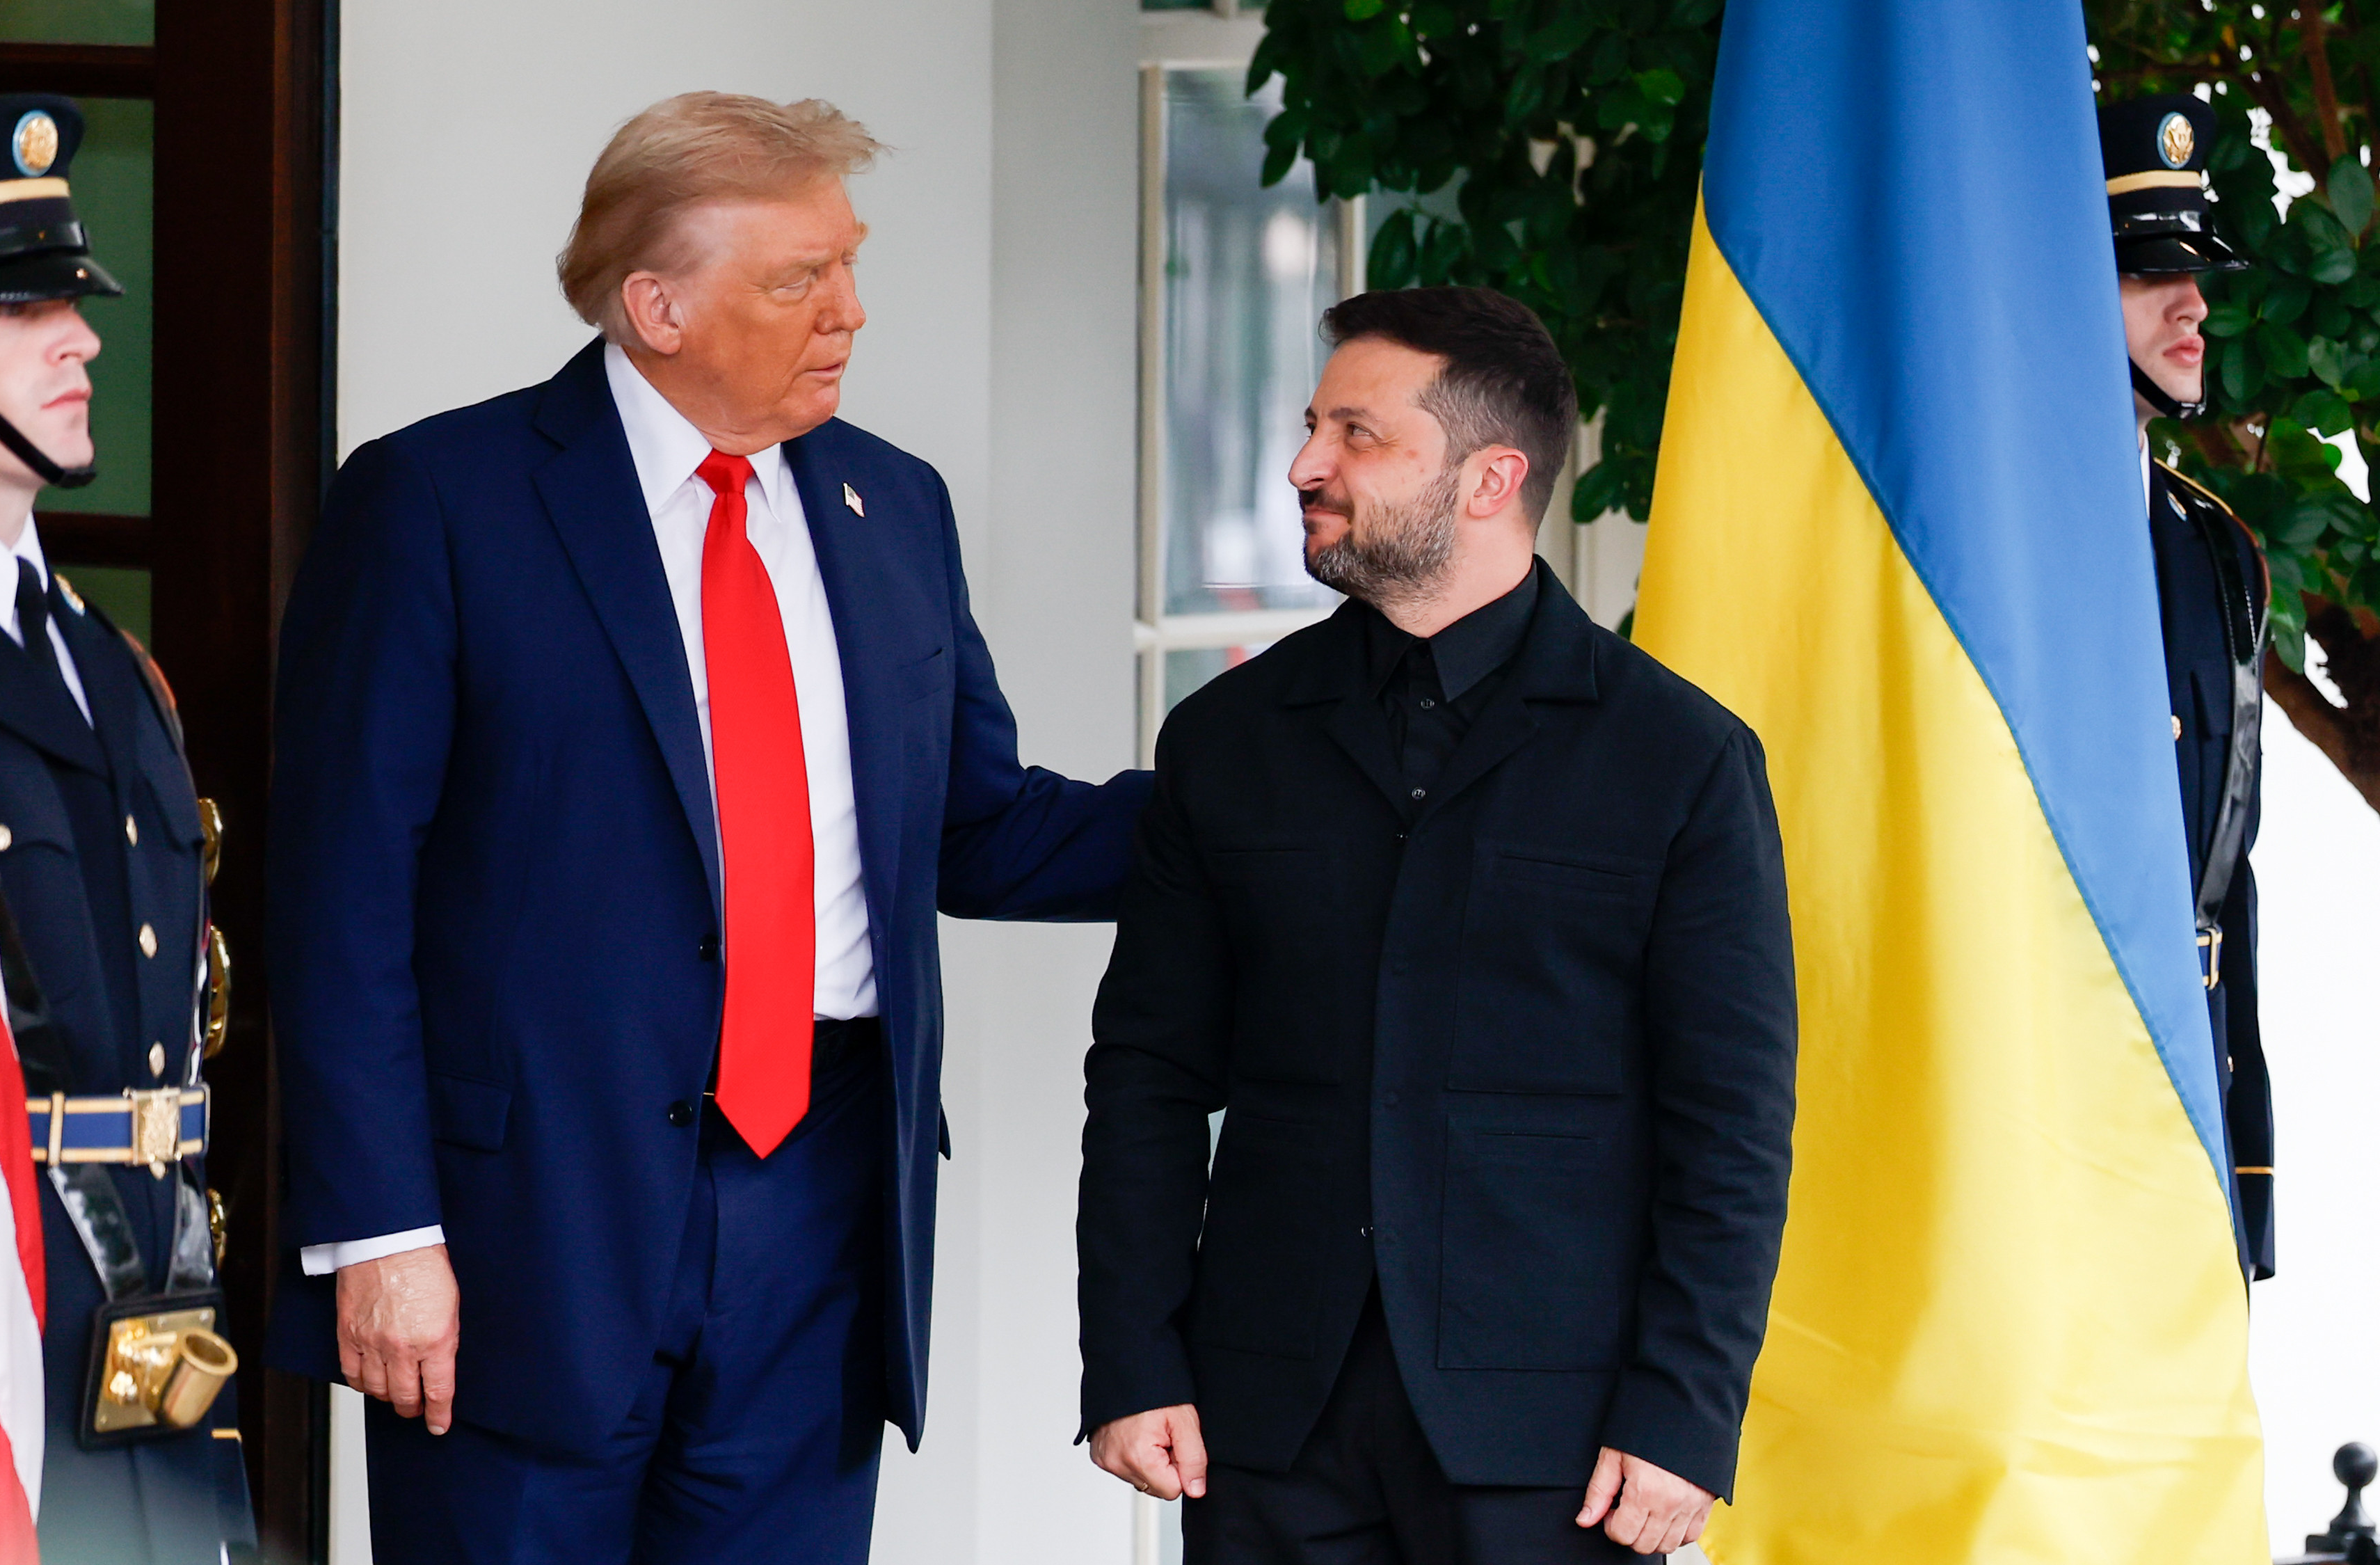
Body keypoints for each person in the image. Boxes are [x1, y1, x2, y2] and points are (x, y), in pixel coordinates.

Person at [266, 91, 1149, 1562]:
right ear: (656, 306)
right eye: (802, 278)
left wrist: (1266, 816)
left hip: (823, 1204)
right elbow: (339, 896)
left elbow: (978, 828)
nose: (850, 311)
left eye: (850, 265)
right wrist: (381, 1231)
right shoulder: (438, 501)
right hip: (524, 1230)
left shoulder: (894, 505)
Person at [1077, 286, 1800, 1561]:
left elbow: (1730, 1118)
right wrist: (1131, 1354)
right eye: (1312, 427)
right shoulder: (1226, 740)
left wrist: (1684, 1409)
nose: (1306, 465)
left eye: (1357, 434)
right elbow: (1147, 1072)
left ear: (1489, 479)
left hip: (1560, 1443)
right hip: (1265, 1421)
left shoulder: (1680, 758)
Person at [0, 95, 257, 1563]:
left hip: (148, 1291)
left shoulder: (111, 666)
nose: (81, 342)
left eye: (73, 301)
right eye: (15, 306)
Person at [2102, 93, 2277, 1280]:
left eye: (2195, 271)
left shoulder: (2216, 549)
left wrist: (2244, 1168)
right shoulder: (1977, 558)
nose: (2194, 304)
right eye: (2147, 272)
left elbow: (2227, 882)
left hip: (2178, 1094)